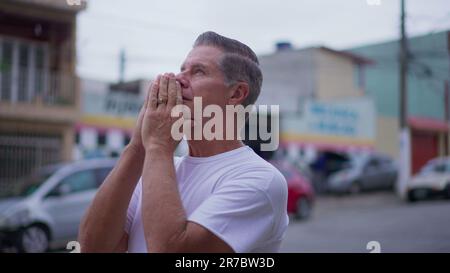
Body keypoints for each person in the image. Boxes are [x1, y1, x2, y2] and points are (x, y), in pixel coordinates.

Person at [78, 31, 289, 253]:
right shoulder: (158, 170)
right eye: (182, 69)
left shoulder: (261, 180)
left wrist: (158, 146)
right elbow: (92, 248)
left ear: (236, 93)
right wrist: (138, 146)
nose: (178, 79)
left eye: (198, 71)